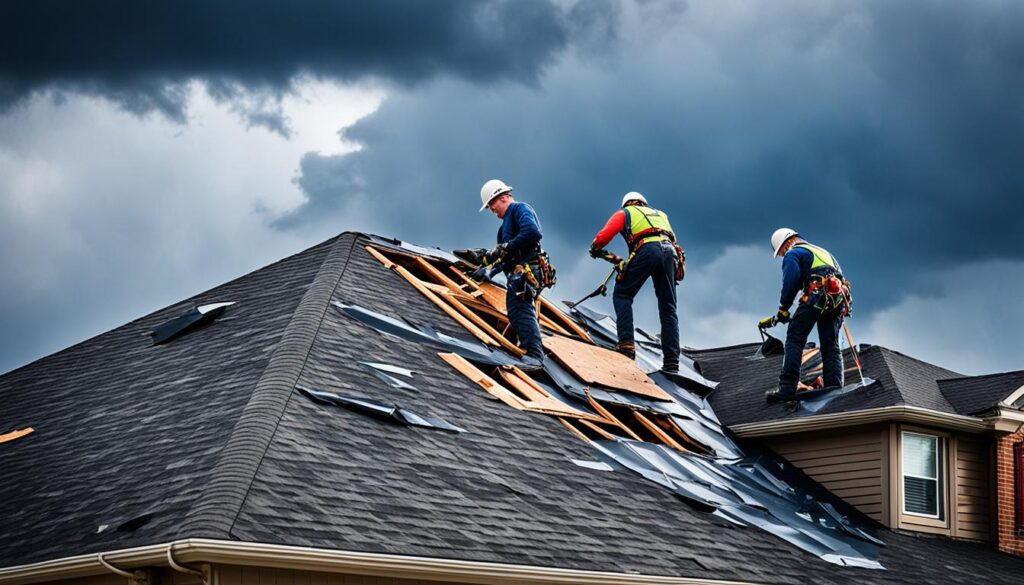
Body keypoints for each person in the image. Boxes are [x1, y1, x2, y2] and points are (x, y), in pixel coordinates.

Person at [589, 192, 683, 373]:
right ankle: (672, 363)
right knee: (668, 308)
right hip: (669, 253)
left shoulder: (625, 213)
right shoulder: (661, 215)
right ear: (645, 203)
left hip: (647, 250)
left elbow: (602, 238)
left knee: (622, 294)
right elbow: (673, 240)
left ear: (628, 204)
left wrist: (595, 248)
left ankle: (626, 345)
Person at [761, 228, 850, 400]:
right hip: (837, 299)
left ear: (786, 244)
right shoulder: (822, 251)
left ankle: (787, 388)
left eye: (780, 252)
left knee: (794, 337)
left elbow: (791, 282)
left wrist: (783, 309)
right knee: (830, 344)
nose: (782, 256)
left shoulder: (793, 253)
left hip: (818, 295)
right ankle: (834, 387)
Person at [473, 179, 547, 370]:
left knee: (519, 308)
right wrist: (489, 271)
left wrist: (506, 247)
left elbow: (533, 232)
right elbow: (506, 258)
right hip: (517, 272)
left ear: (504, 197)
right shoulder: (503, 229)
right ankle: (528, 347)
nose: (491, 209)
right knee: (516, 310)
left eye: (492, 204)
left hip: (528, 270)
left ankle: (535, 356)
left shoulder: (519, 209)